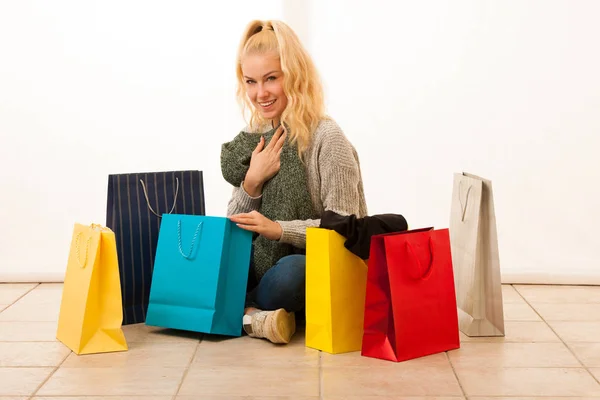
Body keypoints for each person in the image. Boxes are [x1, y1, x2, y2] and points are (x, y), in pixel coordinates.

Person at [221, 19, 368, 345]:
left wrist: (279, 230)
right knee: (215, 257)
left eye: (271, 78)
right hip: (262, 262)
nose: (260, 93)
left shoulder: (327, 138)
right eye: (251, 82)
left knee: (291, 274)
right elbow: (235, 223)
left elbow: (347, 228)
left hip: (309, 265)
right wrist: (252, 182)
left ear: (295, 76)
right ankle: (256, 316)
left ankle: (241, 310)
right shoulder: (254, 137)